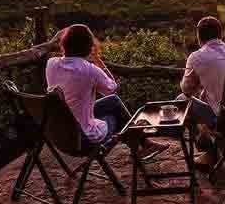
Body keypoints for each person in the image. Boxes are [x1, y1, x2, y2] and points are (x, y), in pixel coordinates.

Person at [46, 24, 165, 157]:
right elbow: (112, 88)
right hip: (81, 140)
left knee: (113, 102)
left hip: (59, 134)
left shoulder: (51, 64)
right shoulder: (89, 70)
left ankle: (144, 144)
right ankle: (135, 145)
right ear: (88, 46)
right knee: (116, 115)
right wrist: (97, 60)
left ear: (64, 44)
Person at [179, 16, 225, 165]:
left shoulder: (197, 57)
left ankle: (210, 151)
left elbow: (186, 89)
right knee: (209, 96)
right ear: (221, 34)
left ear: (199, 37)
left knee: (181, 99)